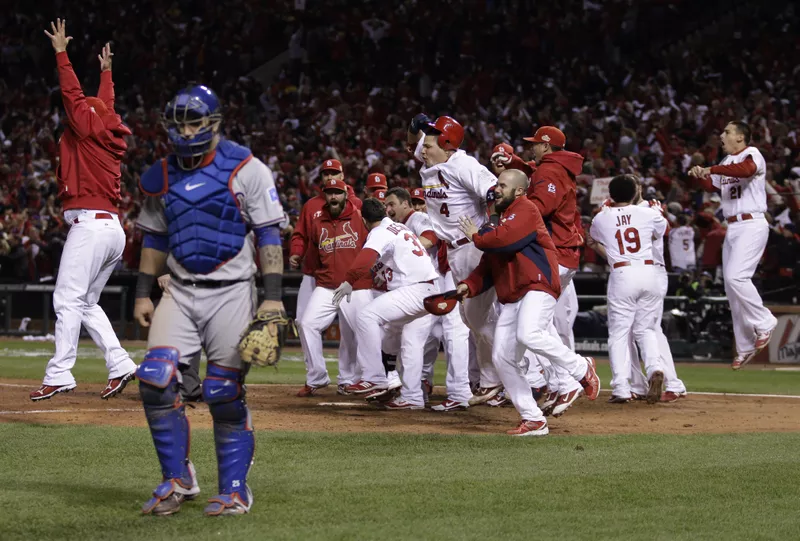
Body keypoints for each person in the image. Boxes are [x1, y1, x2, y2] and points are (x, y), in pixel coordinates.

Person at [133, 84, 286, 516]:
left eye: (194, 121)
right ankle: (176, 480)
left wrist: (272, 299)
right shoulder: (162, 174)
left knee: (222, 391)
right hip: (179, 289)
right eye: (178, 122)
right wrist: (143, 293)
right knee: (155, 379)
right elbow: (155, 237)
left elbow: (269, 235)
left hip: (233, 291)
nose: (185, 131)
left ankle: (235, 488)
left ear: (213, 123)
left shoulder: (247, 168)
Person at [31, 20, 137, 402]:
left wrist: (62, 54)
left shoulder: (86, 127)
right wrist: (107, 75)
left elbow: (74, 96)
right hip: (112, 229)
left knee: (65, 299)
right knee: (85, 303)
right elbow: (101, 106)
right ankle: (121, 363)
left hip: (90, 225)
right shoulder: (106, 131)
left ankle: (59, 373)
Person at [455, 169, 600, 435]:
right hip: (513, 295)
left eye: (501, 185)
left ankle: (582, 367)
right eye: (496, 187)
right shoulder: (499, 222)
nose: (496, 190)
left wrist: (476, 236)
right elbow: (489, 264)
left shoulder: (526, 209)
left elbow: (504, 242)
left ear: (519, 191)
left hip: (538, 285)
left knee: (529, 333)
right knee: (502, 357)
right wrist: (469, 285)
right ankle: (533, 418)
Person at [491, 128, 585, 415]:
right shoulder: (556, 167)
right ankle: (561, 382)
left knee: (532, 327)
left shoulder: (549, 172)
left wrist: (507, 212)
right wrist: (516, 162)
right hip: (563, 251)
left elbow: (540, 207)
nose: (532, 148)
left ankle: (567, 379)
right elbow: (534, 172)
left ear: (546, 145)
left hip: (552, 253)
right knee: (538, 326)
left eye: (535, 144)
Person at [412, 114, 504, 405]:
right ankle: (491, 380)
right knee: (471, 319)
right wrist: (421, 127)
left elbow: (496, 191)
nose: (422, 150)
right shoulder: (434, 154)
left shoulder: (462, 164)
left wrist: (492, 223)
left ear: (448, 146)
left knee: (478, 319)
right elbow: (415, 141)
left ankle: (514, 377)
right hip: (454, 250)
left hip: (472, 247)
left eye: (428, 144)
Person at [335, 198, 440, 409]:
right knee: (406, 343)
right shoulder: (399, 227)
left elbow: (366, 257)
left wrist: (349, 280)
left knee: (367, 316)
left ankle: (375, 378)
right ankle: (412, 397)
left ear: (364, 220)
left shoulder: (379, 231)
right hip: (429, 290)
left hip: (414, 289)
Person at [689, 121, 778, 369]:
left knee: (736, 277)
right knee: (731, 286)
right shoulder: (726, 163)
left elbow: (747, 170)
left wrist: (711, 168)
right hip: (733, 226)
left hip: (752, 223)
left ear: (740, 137)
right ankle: (745, 345)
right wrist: (700, 175)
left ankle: (764, 321)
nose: (722, 135)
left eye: (727, 132)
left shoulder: (751, 154)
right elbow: (713, 184)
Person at [384, 187, 472, 410]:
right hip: (437, 280)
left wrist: (399, 249)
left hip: (440, 279)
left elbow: (429, 239)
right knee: (424, 337)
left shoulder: (418, 218)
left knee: (451, 334)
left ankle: (455, 391)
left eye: (392, 204)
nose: (388, 209)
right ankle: (419, 388)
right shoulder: (405, 223)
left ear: (406, 204)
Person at [588, 174, 667, 403]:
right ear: (635, 193)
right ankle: (654, 369)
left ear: (610, 195)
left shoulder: (602, 218)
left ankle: (621, 388)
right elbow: (661, 230)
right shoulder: (648, 213)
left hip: (622, 273)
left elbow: (593, 240)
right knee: (646, 330)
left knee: (619, 334)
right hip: (648, 271)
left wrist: (605, 209)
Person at [295, 177, 374, 396]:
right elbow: (312, 257)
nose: (333, 196)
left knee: (364, 333)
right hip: (328, 285)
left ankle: (366, 379)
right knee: (307, 323)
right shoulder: (318, 222)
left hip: (356, 286)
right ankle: (317, 376)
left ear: (345, 194)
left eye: (337, 192)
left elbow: (374, 247)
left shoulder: (360, 218)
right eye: (329, 192)